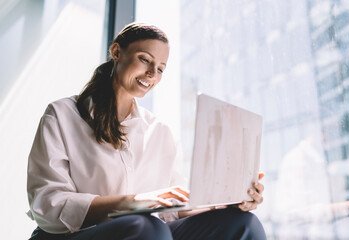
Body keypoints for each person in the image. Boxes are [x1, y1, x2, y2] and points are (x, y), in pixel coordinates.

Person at [27, 22, 266, 240]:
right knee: (147, 228)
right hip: (69, 236)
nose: (152, 74)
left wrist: (228, 201)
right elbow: (48, 204)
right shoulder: (62, 114)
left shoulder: (160, 132)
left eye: (161, 68)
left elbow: (174, 211)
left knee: (243, 223)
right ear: (117, 52)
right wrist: (130, 203)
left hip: (150, 233)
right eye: (145, 59)